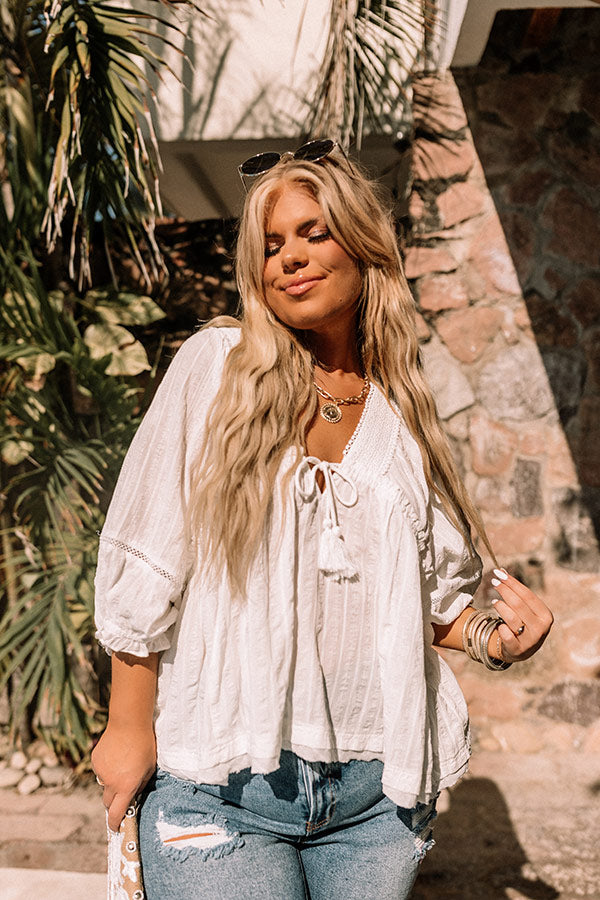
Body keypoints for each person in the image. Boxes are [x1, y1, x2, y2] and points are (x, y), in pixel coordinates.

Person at [91, 139, 553, 900]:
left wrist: (493, 638)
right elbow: (148, 554)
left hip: (375, 801)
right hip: (221, 782)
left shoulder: (401, 410)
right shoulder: (218, 368)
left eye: (314, 233)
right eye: (272, 245)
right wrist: (126, 727)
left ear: (364, 248)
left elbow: (419, 599)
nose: (290, 259)